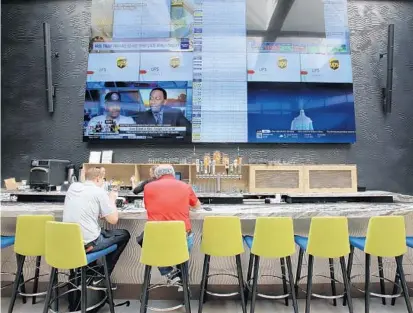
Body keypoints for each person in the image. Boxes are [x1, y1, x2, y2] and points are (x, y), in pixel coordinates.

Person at [63, 167, 130, 289]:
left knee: (99, 232)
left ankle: (90, 274)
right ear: (98, 178)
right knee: (124, 234)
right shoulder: (99, 192)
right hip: (88, 244)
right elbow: (113, 220)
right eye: (103, 179)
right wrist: (112, 200)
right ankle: (101, 276)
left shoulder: (73, 188)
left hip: (68, 242)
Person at [137, 164, 201, 286]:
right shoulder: (185, 186)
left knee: (142, 239)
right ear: (172, 173)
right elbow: (197, 206)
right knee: (182, 255)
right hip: (182, 239)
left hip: (157, 240)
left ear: (156, 175)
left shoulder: (148, 187)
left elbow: (147, 206)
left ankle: (169, 272)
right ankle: (184, 288)